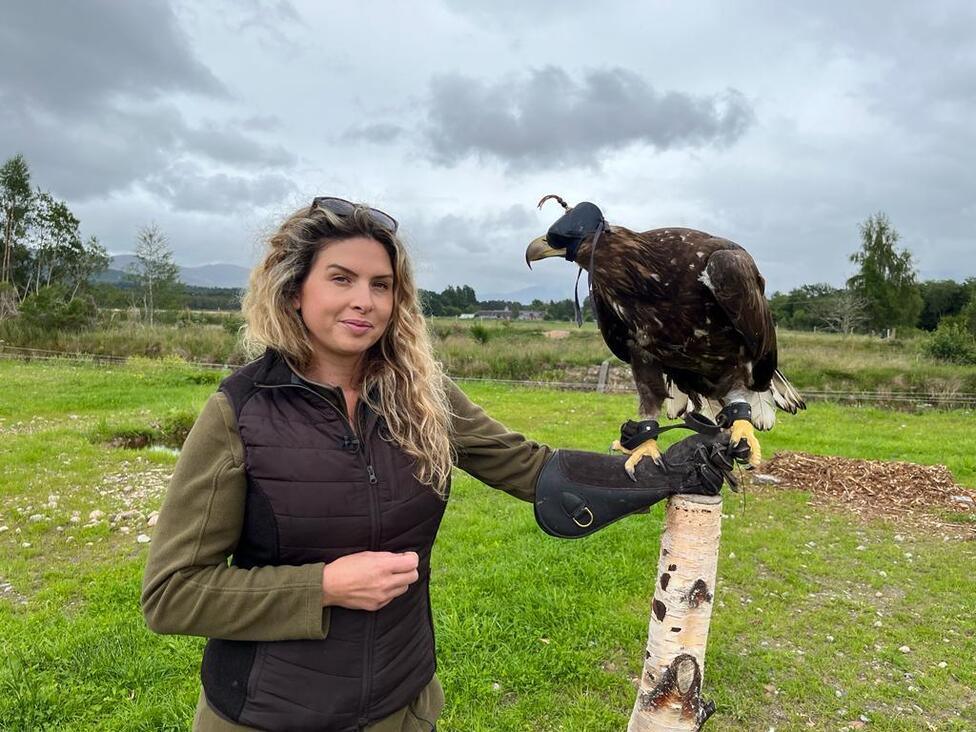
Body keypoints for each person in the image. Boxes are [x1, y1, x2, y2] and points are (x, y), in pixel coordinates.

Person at [141, 197, 742, 732]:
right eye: (342, 279)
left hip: (404, 704)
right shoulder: (239, 413)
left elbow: (534, 470)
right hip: (269, 713)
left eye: (382, 284)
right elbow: (171, 594)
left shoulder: (421, 393)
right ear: (295, 290)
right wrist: (321, 586)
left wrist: (665, 472)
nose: (364, 301)